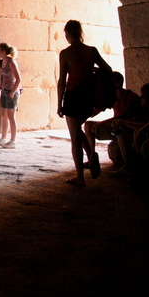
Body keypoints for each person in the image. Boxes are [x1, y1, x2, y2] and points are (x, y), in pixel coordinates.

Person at [57, 20, 112, 186]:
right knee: (76, 129)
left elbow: (62, 80)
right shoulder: (91, 51)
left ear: (67, 33)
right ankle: (90, 154)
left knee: (74, 137)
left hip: (73, 96)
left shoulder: (66, 53)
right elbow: (107, 69)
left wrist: (59, 103)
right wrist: (91, 71)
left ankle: (80, 176)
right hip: (88, 96)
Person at [84, 71, 141, 158]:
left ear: (117, 83)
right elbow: (96, 111)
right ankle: (92, 156)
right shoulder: (112, 97)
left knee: (119, 128)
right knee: (88, 125)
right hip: (115, 125)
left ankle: (127, 165)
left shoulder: (131, 96)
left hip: (128, 128)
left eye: (108, 83)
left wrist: (101, 124)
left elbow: (123, 115)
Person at [0, 43, 21, 149]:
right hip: (4, 90)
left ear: (3, 51)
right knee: (4, 115)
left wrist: (13, 92)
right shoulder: (2, 62)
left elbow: (18, 79)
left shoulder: (11, 62)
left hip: (11, 91)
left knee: (11, 116)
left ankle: (13, 141)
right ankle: (3, 138)